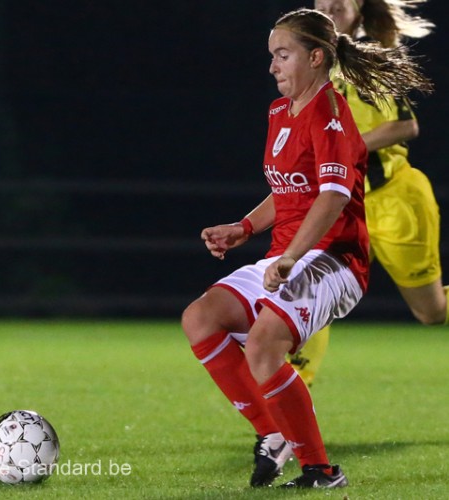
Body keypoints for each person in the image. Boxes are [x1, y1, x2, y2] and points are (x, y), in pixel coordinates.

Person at [181, 7, 432, 489]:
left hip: (335, 259)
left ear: (316, 57)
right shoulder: (280, 112)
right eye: (272, 56)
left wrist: (294, 255)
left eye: (283, 55)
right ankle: (272, 434)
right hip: (287, 252)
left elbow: (334, 195)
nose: (273, 66)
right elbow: (289, 188)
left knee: (264, 344)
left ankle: (320, 471)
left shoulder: (332, 115)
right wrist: (244, 227)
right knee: (200, 318)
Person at [294, 0, 448, 388]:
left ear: (358, 8)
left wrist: (346, 146)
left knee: (432, 313)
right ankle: (292, 390)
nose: (329, 7)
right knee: (309, 290)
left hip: (394, 199)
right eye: (322, 2)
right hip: (339, 205)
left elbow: (404, 126)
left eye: (339, 3)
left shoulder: (371, 56)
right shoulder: (307, 63)